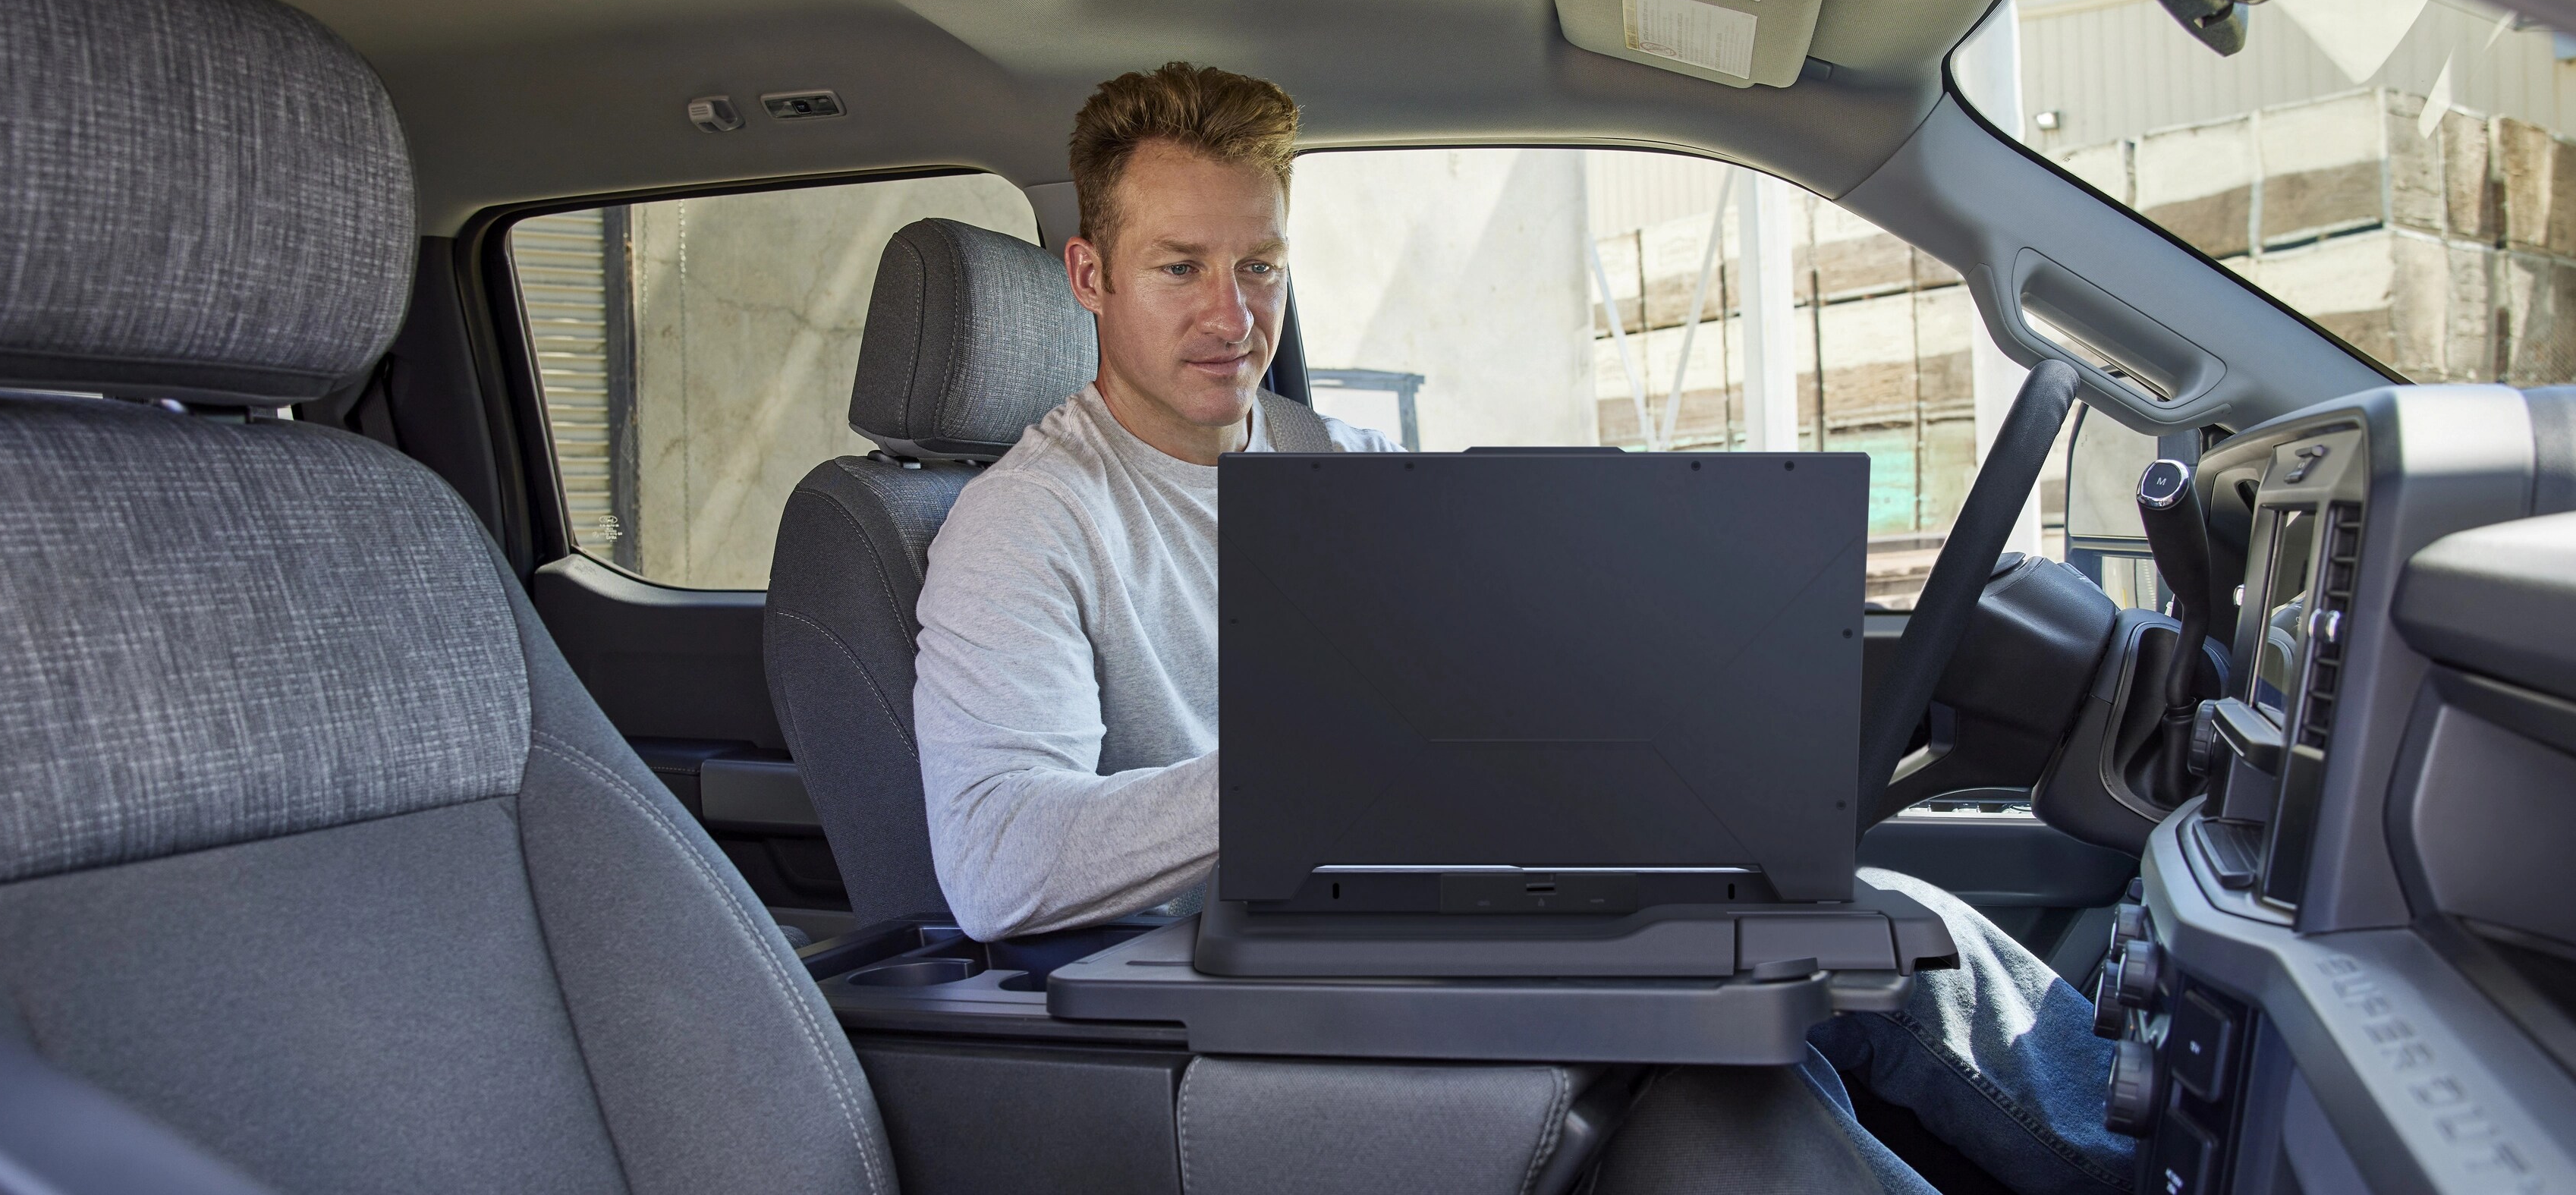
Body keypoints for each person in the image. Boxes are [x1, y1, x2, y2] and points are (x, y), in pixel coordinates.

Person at [909, 61, 2135, 1195]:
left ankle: (2155, 1163)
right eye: (1181, 267)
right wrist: (1315, 774)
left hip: (1431, 916)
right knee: (1737, 1096)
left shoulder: (1338, 463)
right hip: (1255, 1002)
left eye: (1263, 268)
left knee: (1886, 931)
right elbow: (996, 857)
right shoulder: (1029, 522)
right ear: (1089, 276)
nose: (1233, 315)